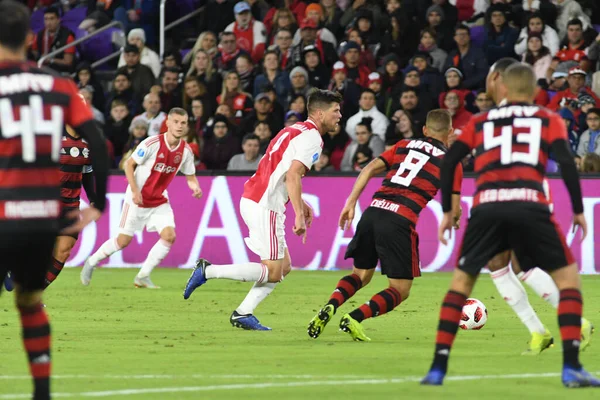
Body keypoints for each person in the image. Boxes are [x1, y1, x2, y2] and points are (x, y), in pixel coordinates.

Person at [421, 62, 600, 387]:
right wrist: (577, 209)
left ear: (502, 86)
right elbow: (566, 161)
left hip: (488, 206)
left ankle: (437, 367)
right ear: (533, 91)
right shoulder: (549, 119)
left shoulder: (481, 120)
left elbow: (449, 160)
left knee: (461, 285)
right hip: (530, 203)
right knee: (569, 280)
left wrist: (448, 209)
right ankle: (571, 366)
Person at [0, 3, 109, 399]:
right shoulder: (58, 86)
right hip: (42, 219)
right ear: (31, 40)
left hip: (3, 212)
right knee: (30, 302)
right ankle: (42, 392)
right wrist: (100, 203)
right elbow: (97, 142)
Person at [183, 89, 342, 330]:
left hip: (256, 198)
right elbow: (292, 174)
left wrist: (301, 202)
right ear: (320, 113)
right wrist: (298, 212)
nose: (339, 115)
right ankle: (208, 271)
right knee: (274, 271)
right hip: (265, 204)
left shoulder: (293, 129)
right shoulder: (313, 139)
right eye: (335, 110)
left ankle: (243, 312)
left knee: (283, 267)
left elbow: (279, 168)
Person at [307, 109, 463, 341]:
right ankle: (355, 317)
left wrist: (350, 203)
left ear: (424, 130)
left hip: (373, 212)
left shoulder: (403, 145)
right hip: (399, 219)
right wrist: (456, 218)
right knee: (400, 289)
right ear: (450, 132)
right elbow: (454, 206)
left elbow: (368, 169)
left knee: (360, 274)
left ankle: (331, 304)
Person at [81, 108, 202, 289]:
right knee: (123, 241)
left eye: (183, 123)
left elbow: (190, 176)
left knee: (169, 236)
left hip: (159, 200)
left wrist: (195, 187)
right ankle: (91, 261)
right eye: (176, 122)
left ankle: (143, 276)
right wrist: (135, 190)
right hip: (136, 198)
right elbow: (129, 165)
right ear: (167, 123)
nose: (179, 126)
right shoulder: (151, 143)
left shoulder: (185, 152)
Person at [44, 122, 98, 288]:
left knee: (63, 251)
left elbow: (87, 173)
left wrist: (93, 198)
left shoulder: (88, 144)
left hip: (71, 206)